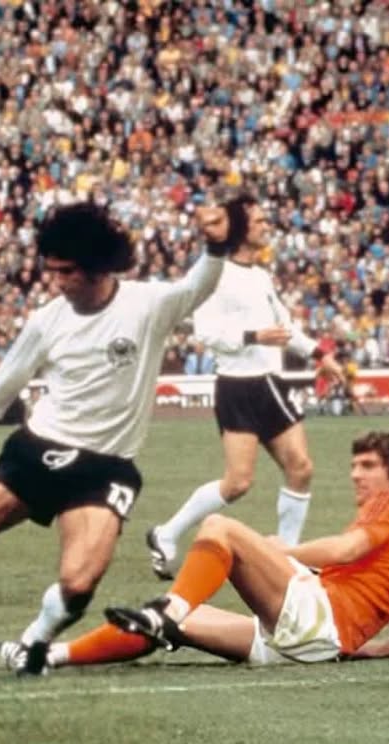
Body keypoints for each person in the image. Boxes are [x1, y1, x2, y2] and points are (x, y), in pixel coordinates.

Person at [0, 200, 232, 675]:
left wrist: (215, 243)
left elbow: (198, 285)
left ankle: (33, 642)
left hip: (105, 468)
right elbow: (12, 374)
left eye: (67, 272)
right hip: (36, 451)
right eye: (52, 271)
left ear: (97, 266)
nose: (58, 282)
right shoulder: (48, 319)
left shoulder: (148, 306)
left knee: (79, 584)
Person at [0, 431, 389, 671]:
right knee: (179, 626)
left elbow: (345, 548)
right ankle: (47, 655)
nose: (356, 474)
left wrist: (285, 552)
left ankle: (169, 608)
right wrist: (358, 649)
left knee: (221, 527)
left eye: (368, 466)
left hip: (320, 620)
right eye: (354, 465)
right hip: (314, 643)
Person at [145, 194, 346, 580]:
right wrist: (254, 336)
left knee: (301, 468)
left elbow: (284, 329)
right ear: (239, 228)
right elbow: (204, 333)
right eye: (258, 221)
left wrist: (321, 355)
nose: (265, 226)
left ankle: (287, 554)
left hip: (269, 382)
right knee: (237, 483)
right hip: (238, 387)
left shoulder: (260, 276)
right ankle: (166, 533)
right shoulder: (216, 274)